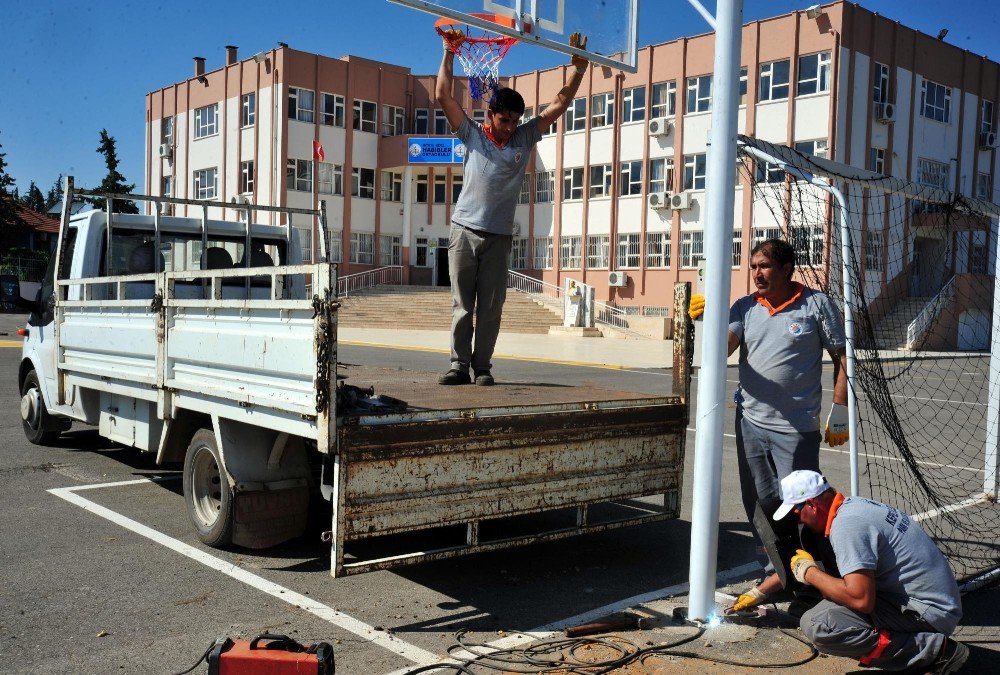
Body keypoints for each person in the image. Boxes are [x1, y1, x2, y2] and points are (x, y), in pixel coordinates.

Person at [690, 239, 849, 611]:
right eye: (753, 266)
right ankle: (777, 571)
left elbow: (844, 357)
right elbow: (721, 350)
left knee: (804, 508)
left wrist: (839, 409)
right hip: (751, 423)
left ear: (785, 268)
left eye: (764, 266)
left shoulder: (816, 305)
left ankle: (814, 583)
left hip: (795, 428)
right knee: (762, 504)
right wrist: (704, 321)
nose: (756, 273)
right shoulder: (745, 308)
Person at [434, 29, 589, 386]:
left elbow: (558, 106)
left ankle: (483, 366)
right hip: (465, 231)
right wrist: (448, 51)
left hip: (501, 237)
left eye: (515, 121)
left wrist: (577, 70)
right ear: (490, 115)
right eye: (504, 120)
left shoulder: (523, 137)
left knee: (490, 308)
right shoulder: (471, 133)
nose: (509, 128)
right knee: (463, 305)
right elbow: (443, 94)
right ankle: (459, 366)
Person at [773, 470, 967, 673]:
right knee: (823, 611)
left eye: (797, 514)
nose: (800, 521)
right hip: (931, 603)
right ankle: (917, 650)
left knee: (819, 625)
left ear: (811, 505)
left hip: (931, 614)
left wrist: (809, 573)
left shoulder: (847, 526)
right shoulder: (853, 507)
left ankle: (935, 651)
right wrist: (760, 591)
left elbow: (861, 600)